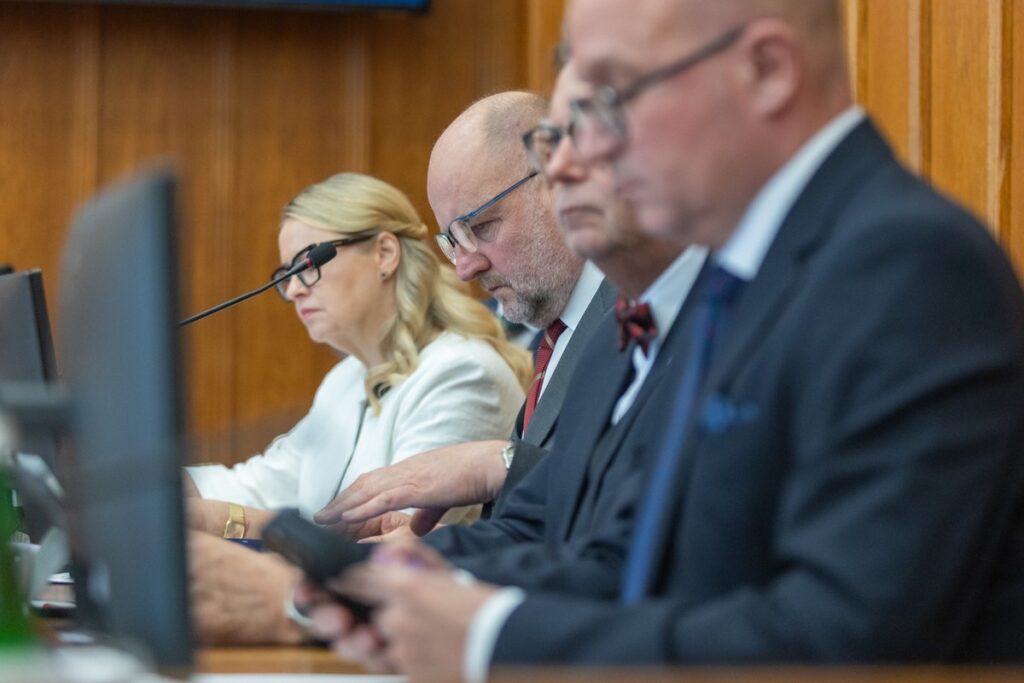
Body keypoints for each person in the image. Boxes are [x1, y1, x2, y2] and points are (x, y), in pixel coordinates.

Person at [308, 0, 1024, 677]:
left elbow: (846, 638)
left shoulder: (905, 265)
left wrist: (489, 637)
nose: (579, 158)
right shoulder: (741, 274)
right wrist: (390, 587)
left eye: (614, 95)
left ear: (768, 71)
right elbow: (621, 559)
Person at [185, 171, 532, 643]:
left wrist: (230, 520)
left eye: (307, 264)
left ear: (384, 254)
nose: (294, 290)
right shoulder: (347, 379)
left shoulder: (463, 372)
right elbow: (265, 482)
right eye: (284, 276)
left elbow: (395, 542)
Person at [314, 91, 618, 539]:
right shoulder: (557, 338)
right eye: (452, 241)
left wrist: (499, 463)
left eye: (480, 228)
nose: (463, 267)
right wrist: (428, 549)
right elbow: (532, 528)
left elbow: (632, 513)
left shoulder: (638, 317)